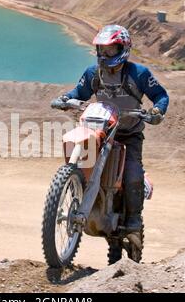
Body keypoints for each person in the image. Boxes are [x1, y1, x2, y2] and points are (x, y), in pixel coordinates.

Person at [51, 25, 169, 243]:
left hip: (128, 134)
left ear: (122, 48)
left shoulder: (139, 74)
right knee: (82, 161)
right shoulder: (92, 73)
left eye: (110, 50)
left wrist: (157, 111)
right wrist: (66, 99)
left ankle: (133, 222)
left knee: (133, 173)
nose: (104, 55)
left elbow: (161, 95)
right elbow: (80, 92)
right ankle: (73, 192)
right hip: (101, 131)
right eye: (101, 50)